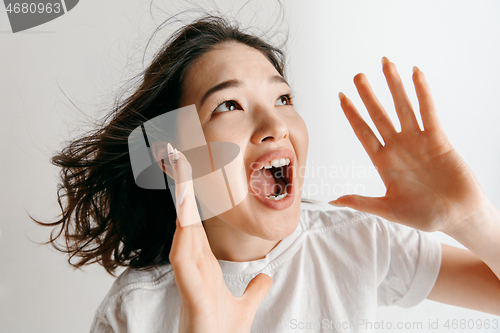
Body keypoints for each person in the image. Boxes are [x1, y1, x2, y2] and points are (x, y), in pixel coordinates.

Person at [39, 15, 500, 333]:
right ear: (174, 156)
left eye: (283, 99)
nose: (276, 125)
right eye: (229, 105)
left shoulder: (356, 240)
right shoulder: (135, 311)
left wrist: (470, 221)